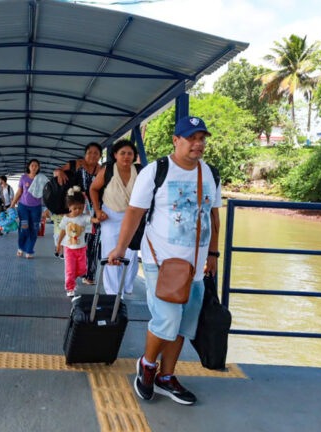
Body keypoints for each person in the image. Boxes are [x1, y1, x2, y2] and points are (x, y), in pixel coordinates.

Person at [107, 116, 221, 406]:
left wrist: (213, 254)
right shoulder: (156, 171)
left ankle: (166, 377)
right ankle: (147, 366)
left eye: (202, 138)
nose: (198, 144)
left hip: (195, 266)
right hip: (163, 262)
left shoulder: (210, 173)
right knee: (167, 319)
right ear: (176, 140)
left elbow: (213, 216)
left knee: (184, 325)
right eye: (191, 138)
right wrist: (120, 249)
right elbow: (134, 213)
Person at [89, 138, 140, 296]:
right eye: (122, 153)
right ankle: (113, 292)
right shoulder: (108, 170)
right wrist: (97, 210)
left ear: (134, 156)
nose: (126, 156)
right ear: (115, 154)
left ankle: (126, 287)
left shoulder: (139, 171)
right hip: (110, 215)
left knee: (131, 253)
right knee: (110, 253)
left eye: (130, 153)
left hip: (132, 216)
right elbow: (93, 189)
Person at [53, 143, 103, 284]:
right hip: (77, 211)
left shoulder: (102, 170)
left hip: (95, 209)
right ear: (85, 154)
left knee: (93, 242)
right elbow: (56, 172)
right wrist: (61, 173)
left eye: (96, 153)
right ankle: (74, 271)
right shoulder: (76, 164)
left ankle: (90, 275)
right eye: (90, 152)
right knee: (77, 241)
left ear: (100, 155)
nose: (93, 155)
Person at [56, 187, 96, 297]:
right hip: (69, 249)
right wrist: (59, 244)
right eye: (75, 208)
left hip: (82, 248)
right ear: (69, 207)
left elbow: (92, 219)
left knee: (83, 269)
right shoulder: (66, 219)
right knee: (70, 270)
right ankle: (70, 288)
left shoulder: (83, 217)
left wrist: (99, 218)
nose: (78, 210)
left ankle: (71, 278)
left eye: (81, 208)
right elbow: (63, 232)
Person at [8, 159, 43, 259]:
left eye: (36, 165)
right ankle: (20, 247)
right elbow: (19, 192)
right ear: (29, 167)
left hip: (36, 208)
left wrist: (48, 208)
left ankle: (29, 250)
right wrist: (12, 204)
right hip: (23, 207)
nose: (34, 167)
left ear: (38, 168)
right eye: (32, 165)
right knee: (24, 228)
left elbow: (46, 193)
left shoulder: (41, 179)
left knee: (34, 229)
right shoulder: (23, 178)